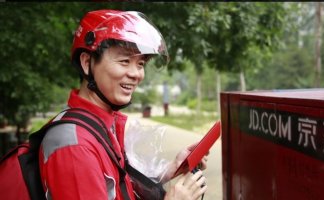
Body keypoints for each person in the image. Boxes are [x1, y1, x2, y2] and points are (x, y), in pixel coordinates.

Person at [39, 9, 208, 200]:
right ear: (87, 63)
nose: (136, 74)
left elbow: (118, 187)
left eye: (141, 64)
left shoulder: (101, 125)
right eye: (125, 61)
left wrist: (169, 170)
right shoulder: (74, 147)